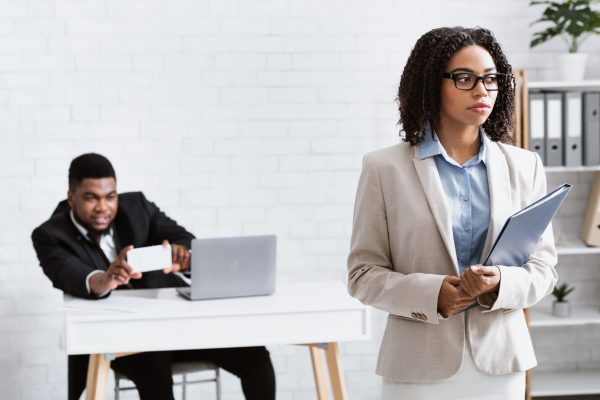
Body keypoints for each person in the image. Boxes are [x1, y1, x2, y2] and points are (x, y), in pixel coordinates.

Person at [347, 27, 558, 399]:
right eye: (465, 78)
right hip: (416, 368)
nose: (482, 91)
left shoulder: (525, 167)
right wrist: (433, 295)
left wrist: (499, 285)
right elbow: (363, 275)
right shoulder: (384, 168)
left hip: (499, 363)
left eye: (491, 79)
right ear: (432, 84)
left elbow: (543, 270)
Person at [32, 153, 276, 400]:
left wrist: (184, 255)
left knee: (255, 355)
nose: (103, 207)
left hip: (176, 328)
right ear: (71, 197)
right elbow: (73, 274)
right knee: (154, 365)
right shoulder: (50, 235)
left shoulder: (136, 206)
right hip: (121, 340)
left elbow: (182, 237)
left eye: (110, 197)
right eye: (91, 198)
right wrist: (107, 279)